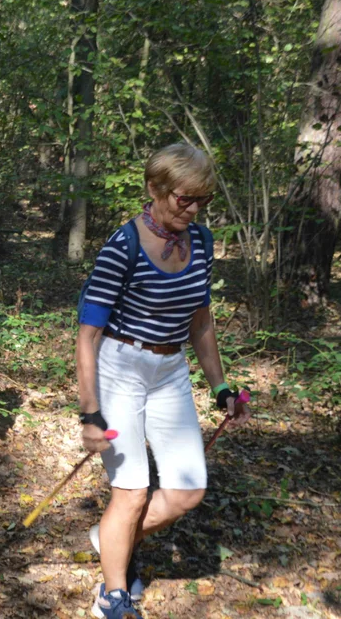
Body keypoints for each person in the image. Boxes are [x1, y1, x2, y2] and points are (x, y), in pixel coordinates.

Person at [76, 143, 249, 619]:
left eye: (202, 201)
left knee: (187, 491)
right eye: (183, 199)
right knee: (130, 493)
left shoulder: (203, 243)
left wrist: (221, 388)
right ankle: (113, 594)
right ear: (154, 189)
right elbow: (87, 336)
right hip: (120, 367)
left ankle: (107, 539)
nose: (192, 210)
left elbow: (201, 323)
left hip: (169, 370)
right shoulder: (123, 245)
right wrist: (90, 413)